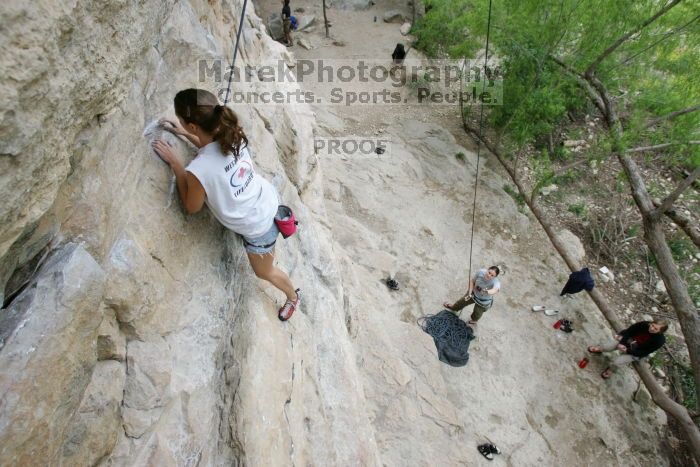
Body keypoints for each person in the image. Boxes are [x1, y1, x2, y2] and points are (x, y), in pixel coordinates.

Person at [152, 88, 301, 321]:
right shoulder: (232, 134)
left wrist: (177, 165)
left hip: (259, 228)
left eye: (183, 122)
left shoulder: (199, 170)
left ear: (193, 126)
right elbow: (210, 147)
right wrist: (183, 132)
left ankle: (293, 297)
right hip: (265, 199)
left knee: (264, 272)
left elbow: (192, 207)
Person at [587, 319, 668, 379]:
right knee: (607, 347)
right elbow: (629, 331)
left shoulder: (659, 341)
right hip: (628, 340)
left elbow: (644, 352)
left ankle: (611, 370)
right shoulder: (644, 324)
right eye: (652, 325)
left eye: (656, 329)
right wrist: (622, 342)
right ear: (651, 323)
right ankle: (600, 349)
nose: (652, 328)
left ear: (660, 332)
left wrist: (628, 350)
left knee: (616, 362)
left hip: (636, 351)